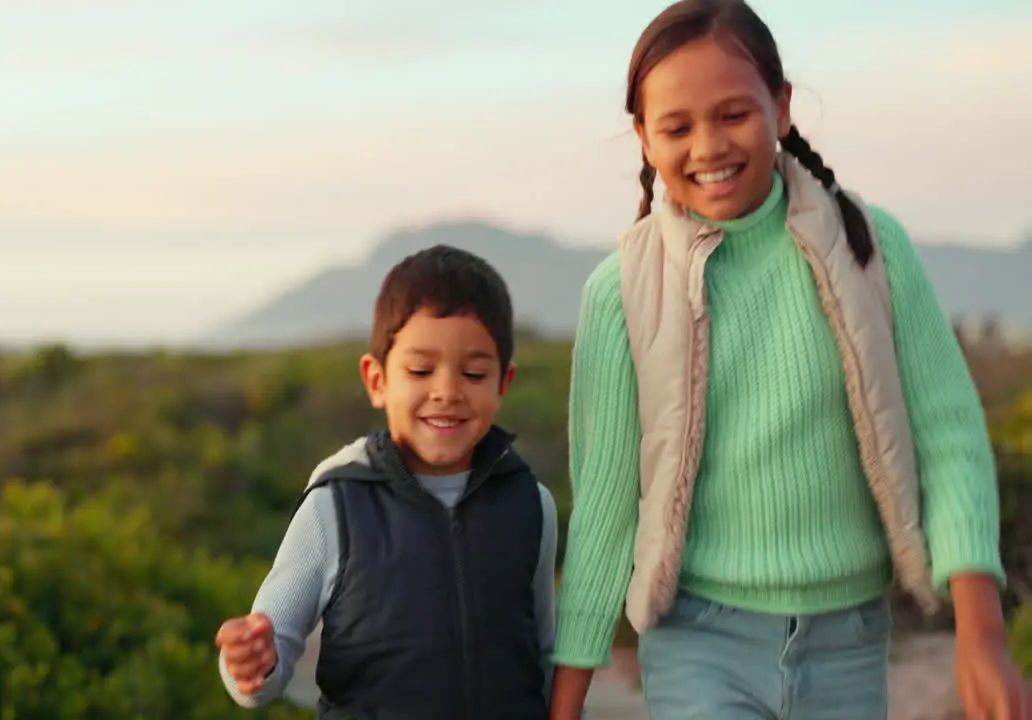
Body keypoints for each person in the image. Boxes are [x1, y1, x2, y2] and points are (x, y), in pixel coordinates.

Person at [548, 1, 1030, 718]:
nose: (708, 146)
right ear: (644, 139)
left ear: (782, 106)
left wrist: (982, 632)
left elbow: (949, 439)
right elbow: (605, 512)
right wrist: (566, 700)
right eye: (677, 127)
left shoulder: (871, 247)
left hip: (851, 642)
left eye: (734, 114)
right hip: (697, 644)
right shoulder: (620, 292)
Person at [215, 244, 559, 718]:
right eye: (420, 370)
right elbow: (266, 653)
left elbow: (543, 653)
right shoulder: (335, 505)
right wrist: (249, 666)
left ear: (504, 384)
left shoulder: (530, 503)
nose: (447, 391)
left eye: (474, 373)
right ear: (376, 380)